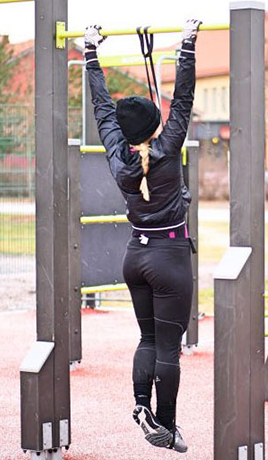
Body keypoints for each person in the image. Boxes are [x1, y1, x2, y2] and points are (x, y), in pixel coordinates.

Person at [84, 19, 201, 454]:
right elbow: (184, 100)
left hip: (136, 256)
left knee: (148, 339)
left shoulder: (119, 155)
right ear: (155, 123)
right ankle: (166, 427)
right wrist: (185, 47)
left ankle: (140, 405)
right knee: (168, 347)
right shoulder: (168, 146)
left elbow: (102, 108)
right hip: (169, 257)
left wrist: (90, 52)